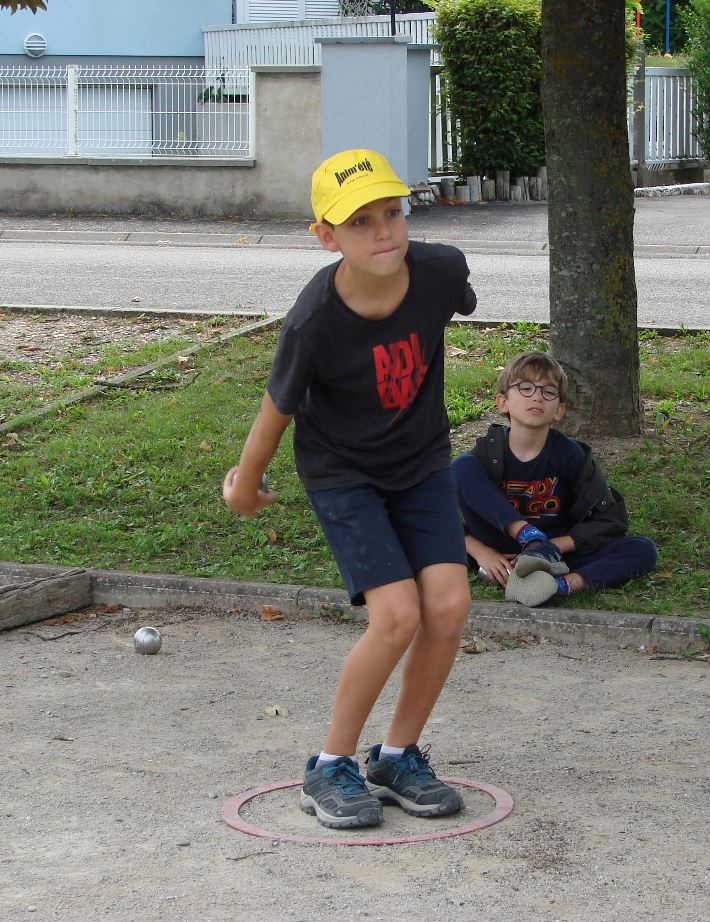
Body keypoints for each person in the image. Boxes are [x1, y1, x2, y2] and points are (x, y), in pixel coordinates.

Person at [222, 149, 477, 829]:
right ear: (327, 236)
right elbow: (276, 409)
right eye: (360, 222)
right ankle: (330, 766)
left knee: (448, 605)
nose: (384, 232)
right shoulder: (315, 319)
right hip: (344, 473)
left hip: (419, 460)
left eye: (392, 213)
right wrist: (245, 485)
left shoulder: (442, 272)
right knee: (396, 615)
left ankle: (395, 757)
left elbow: (446, 309)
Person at [452, 351, 658, 607]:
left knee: (642, 549)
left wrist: (550, 547)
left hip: (553, 556)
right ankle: (526, 540)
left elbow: (612, 520)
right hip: (497, 551)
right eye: (525, 388)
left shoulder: (572, 455)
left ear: (559, 410)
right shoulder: (486, 454)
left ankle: (560, 585)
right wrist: (480, 552)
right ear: (503, 402)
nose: (537, 395)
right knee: (459, 468)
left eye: (548, 391)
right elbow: (435, 513)